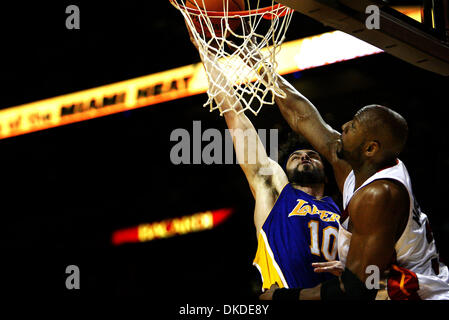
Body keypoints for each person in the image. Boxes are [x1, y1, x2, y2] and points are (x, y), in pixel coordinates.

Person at [258, 66, 449, 300]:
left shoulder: (379, 194)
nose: (344, 126)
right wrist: (265, 70)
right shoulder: (362, 165)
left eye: (354, 126)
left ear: (370, 148)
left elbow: (355, 288)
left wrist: (281, 297)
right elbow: (303, 118)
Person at [188, 32, 342, 292]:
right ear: (286, 171)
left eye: (312, 155)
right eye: (296, 156)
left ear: (327, 175)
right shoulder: (276, 192)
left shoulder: (344, 210)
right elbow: (235, 116)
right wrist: (207, 52)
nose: (304, 155)